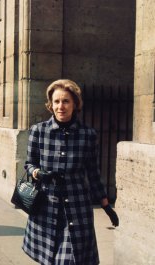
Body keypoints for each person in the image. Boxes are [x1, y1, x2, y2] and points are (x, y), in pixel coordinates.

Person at [22, 79, 119, 264]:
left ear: (75, 104)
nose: (61, 106)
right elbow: (29, 163)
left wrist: (106, 206)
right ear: (50, 104)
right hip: (46, 207)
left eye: (66, 101)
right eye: (56, 101)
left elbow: (93, 173)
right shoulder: (38, 131)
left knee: (69, 260)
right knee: (49, 258)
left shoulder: (88, 134)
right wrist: (37, 173)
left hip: (77, 208)